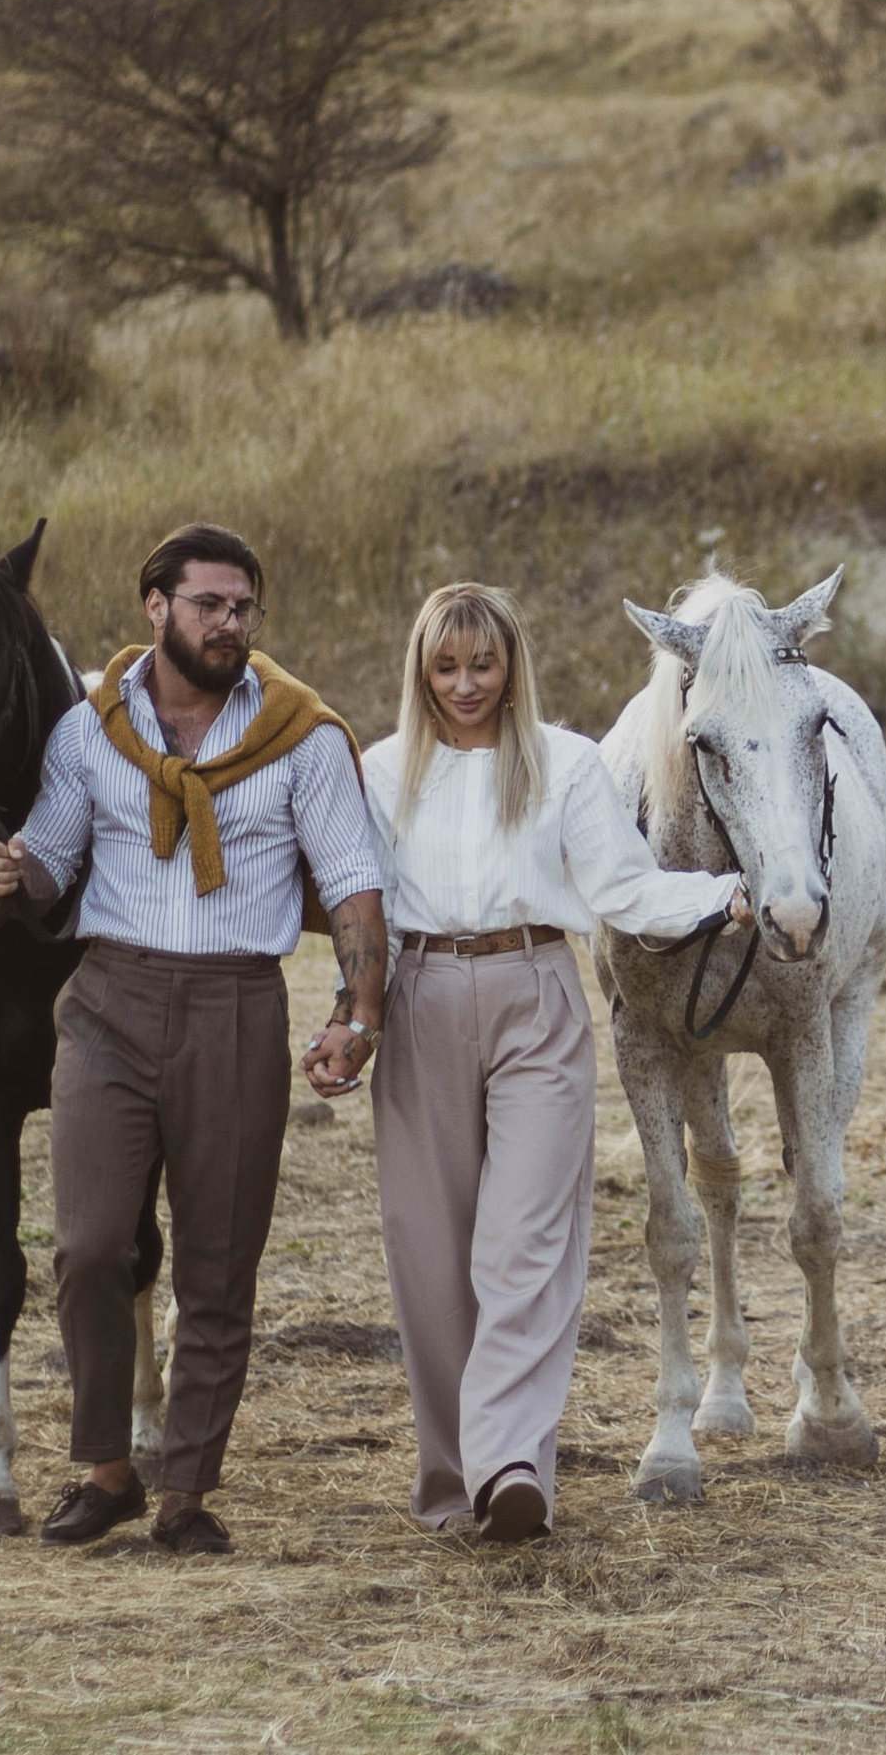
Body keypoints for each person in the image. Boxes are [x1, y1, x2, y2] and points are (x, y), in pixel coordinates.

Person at [0, 523, 385, 1557]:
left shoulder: (302, 735)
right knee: (89, 1244)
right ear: (154, 605)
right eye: (208, 603)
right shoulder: (88, 734)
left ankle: (187, 1492)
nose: (229, 623)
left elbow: (354, 886)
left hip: (235, 1010)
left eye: (243, 606)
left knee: (216, 1266)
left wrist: (357, 1012)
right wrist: (9, 870)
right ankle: (107, 1468)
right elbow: (53, 864)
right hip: (108, 1001)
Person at [327, 581, 748, 1541]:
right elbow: (370, 911)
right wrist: (352, 1019)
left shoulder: (563, 764)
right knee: (430, 1256)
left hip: (535, 995)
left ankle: (511, 1464)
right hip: (421, 998)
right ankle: (450, 1485)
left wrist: (720, 893)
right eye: (446, 666)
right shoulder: (382, 770)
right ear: (419, 671)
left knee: (526, 1245)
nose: (466, 683)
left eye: (483, 663)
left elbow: (623, 888)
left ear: (511, 662)